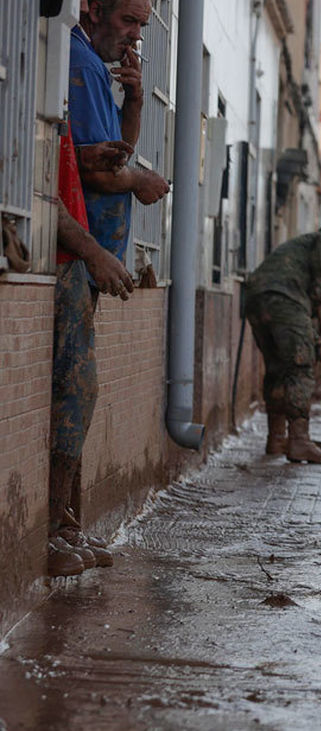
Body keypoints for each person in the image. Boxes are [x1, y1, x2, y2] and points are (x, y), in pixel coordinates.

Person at [45, 131, 140, 577]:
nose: (128, 55)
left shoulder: (77, 92)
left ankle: (64, 522)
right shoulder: (64, 69)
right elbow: (43, 194)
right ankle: (49, 528)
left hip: (75, 261)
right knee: (76, 391)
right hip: (61, 259)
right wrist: (94, 253)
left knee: (80, 396)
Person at [244, 225, 321, 465]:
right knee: (301, 368)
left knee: (276, 368)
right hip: (284, 299)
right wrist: (319, 287)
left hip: (257, 298)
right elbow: (319, 275)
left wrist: (315, 338)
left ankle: (276, 438)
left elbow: (308, 310)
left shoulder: (302, 247)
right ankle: (299, 441)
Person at [70, 0, 170, 264]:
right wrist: (139, 180)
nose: (137, 36)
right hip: (79, 252)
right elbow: (99, 172)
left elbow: (120, 152)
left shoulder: (92, 64)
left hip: (91, 255)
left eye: (142, 25)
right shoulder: (84, 64)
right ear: (96, 11)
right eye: (128, 21)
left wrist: (134, 100)